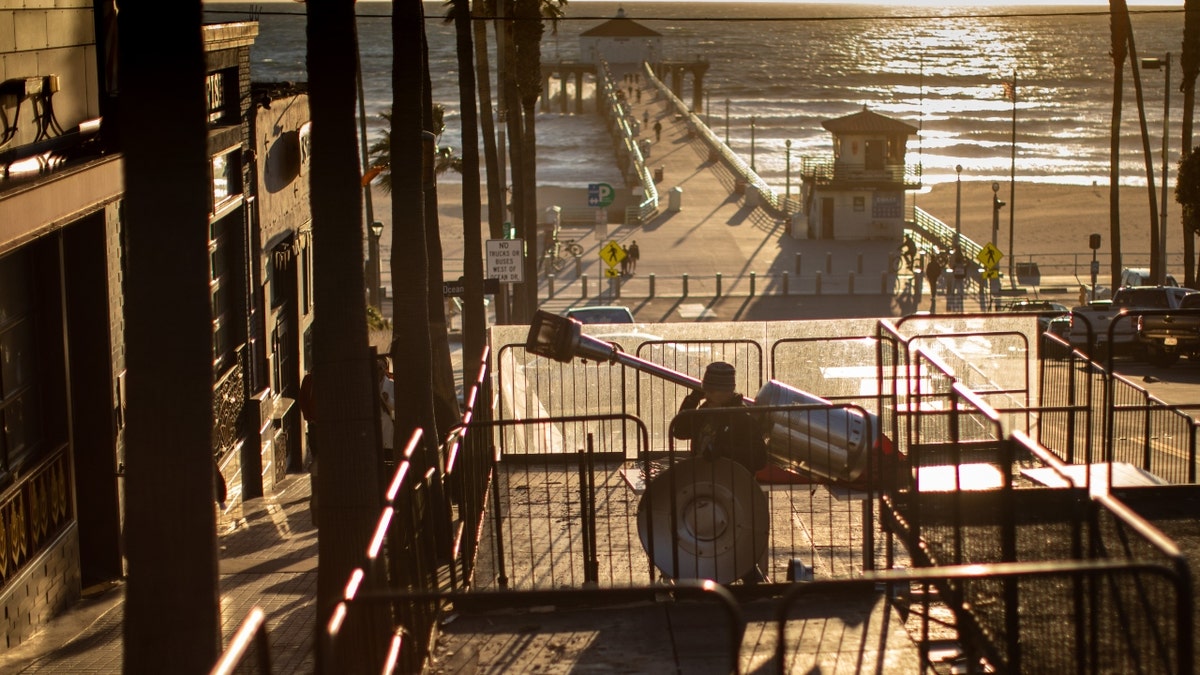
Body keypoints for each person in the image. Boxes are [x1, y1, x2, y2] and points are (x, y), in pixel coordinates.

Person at [671, 362, 767, 476]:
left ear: (727, 392)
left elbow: (759, 458)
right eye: (705, 390)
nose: (706, 396)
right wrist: (692, 400)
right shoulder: (705, 411)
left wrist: (723, 451)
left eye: (711, 391)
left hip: (730, 482)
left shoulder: (741, 417)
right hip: (703, 478)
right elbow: (680, 432)